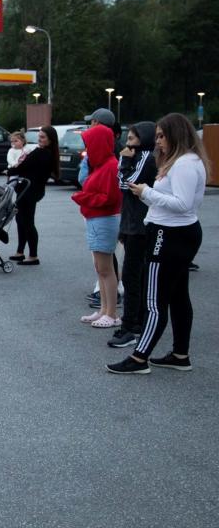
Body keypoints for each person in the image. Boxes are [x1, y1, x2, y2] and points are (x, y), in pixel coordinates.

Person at [107, 114, 207, 374]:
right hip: (174, 231)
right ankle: (180, 354)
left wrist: (146, 192)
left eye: (162, 136)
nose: (158, 142)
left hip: (169, 234)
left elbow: (183, 203)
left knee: (155, 300)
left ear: (176, 135)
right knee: (177, 296)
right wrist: (150, 195)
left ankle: (139, 358)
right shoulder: (184, 161)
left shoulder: (184, 164)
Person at [107, 122, 158, 348]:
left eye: (133, 138)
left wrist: (125, 160)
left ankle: (131, 326)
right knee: (133, 275)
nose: (128, 143)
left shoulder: (146, 157)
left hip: (140, 225)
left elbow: (125, 184)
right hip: (130, 223)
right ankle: (135, 321)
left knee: (131, 275)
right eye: (127, 138)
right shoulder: (137, 155)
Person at [72, 124, 122, 329]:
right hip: (97, 219)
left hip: (104, 219)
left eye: (89, 144)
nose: (87, 148)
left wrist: (82, 198)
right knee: (100, 269)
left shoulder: (110, 166)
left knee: (105, 268)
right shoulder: (101, 165)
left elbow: (109, 198)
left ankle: (111, 313)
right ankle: (104, 309)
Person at [8, 126, 60, 265]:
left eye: (43, 137)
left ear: (50, 140)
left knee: (27, 221)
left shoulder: (41, 153)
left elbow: (23, 167)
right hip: (30, 189)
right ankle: (20, 251)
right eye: (39, 136)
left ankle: (33, 255)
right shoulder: (46, 152)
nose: (39, 139)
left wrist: (11, 171)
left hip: (29, 191)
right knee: (21, 219)